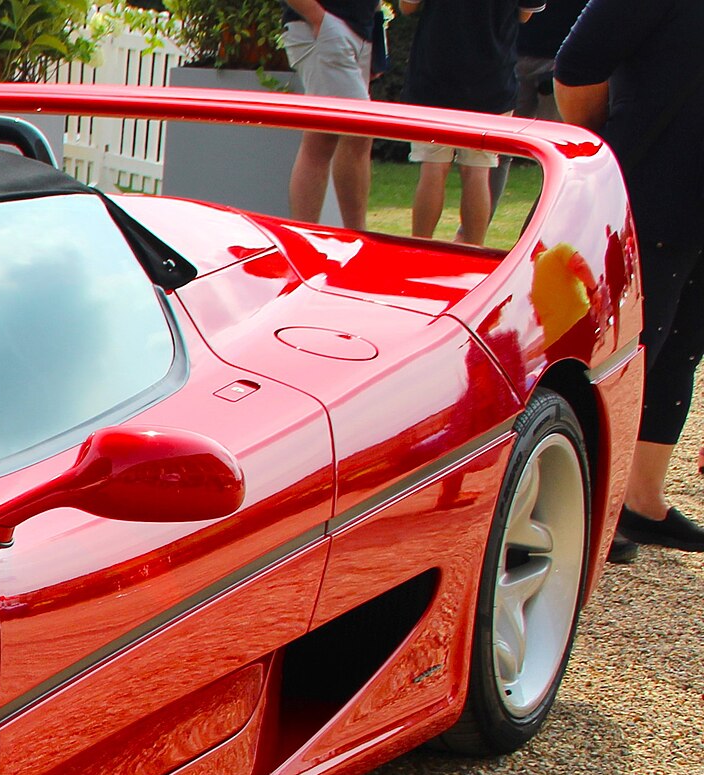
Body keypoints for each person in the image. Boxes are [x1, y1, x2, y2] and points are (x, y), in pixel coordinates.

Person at [555, 0, 704, 559]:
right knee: (631, 350)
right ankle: (600, 505)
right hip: (653, 183)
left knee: (683, 347)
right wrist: (603, 148)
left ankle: (642, 499)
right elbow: (577, 67)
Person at [398, 0, 538, 247]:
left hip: (435, 73)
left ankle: (418, 251)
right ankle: (473, 255)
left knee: (433, 166)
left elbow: (408, 6)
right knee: (478, 171)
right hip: (492, 77)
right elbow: (525, 15)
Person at [286, 0, 381, 229]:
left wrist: (375, 37)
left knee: (321, 138)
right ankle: (355, 238)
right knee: (356, 131)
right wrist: (317, 18)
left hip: (355, 30)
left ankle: (307, 240)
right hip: (325, 27)